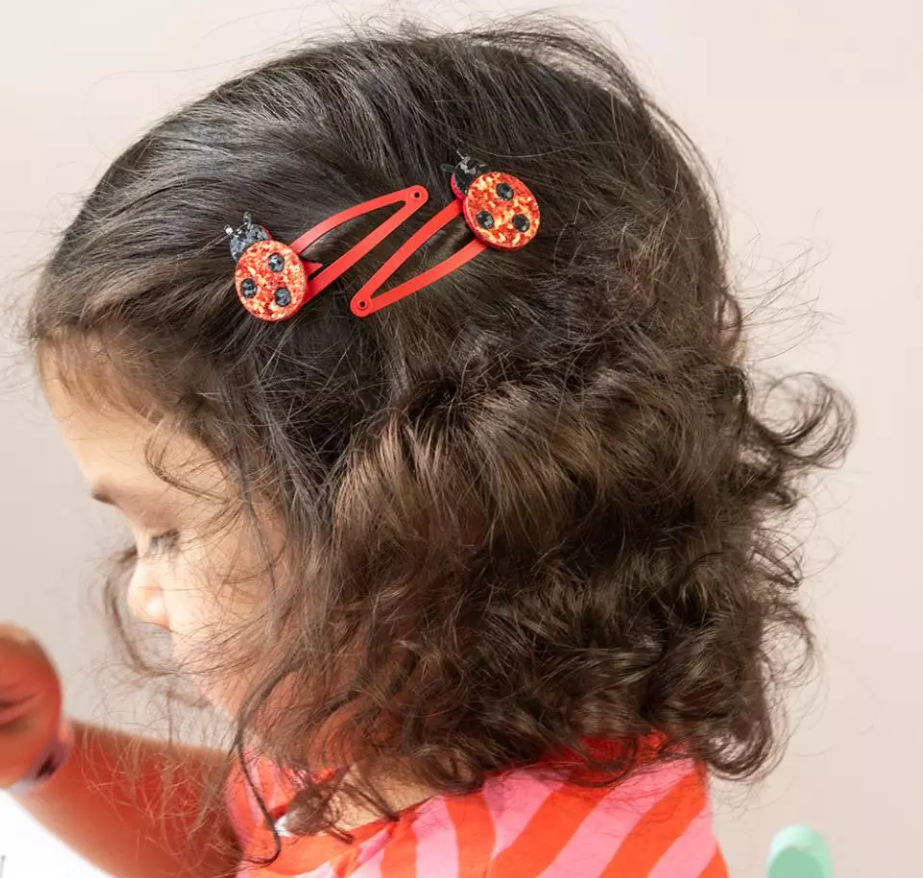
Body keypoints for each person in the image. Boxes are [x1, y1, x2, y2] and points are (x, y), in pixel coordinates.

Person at [0, 15, 852, 878]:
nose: (144, 593)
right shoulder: (399, 717)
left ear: (410, 531)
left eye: (167, 531)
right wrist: (44, 757)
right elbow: (255, 842)